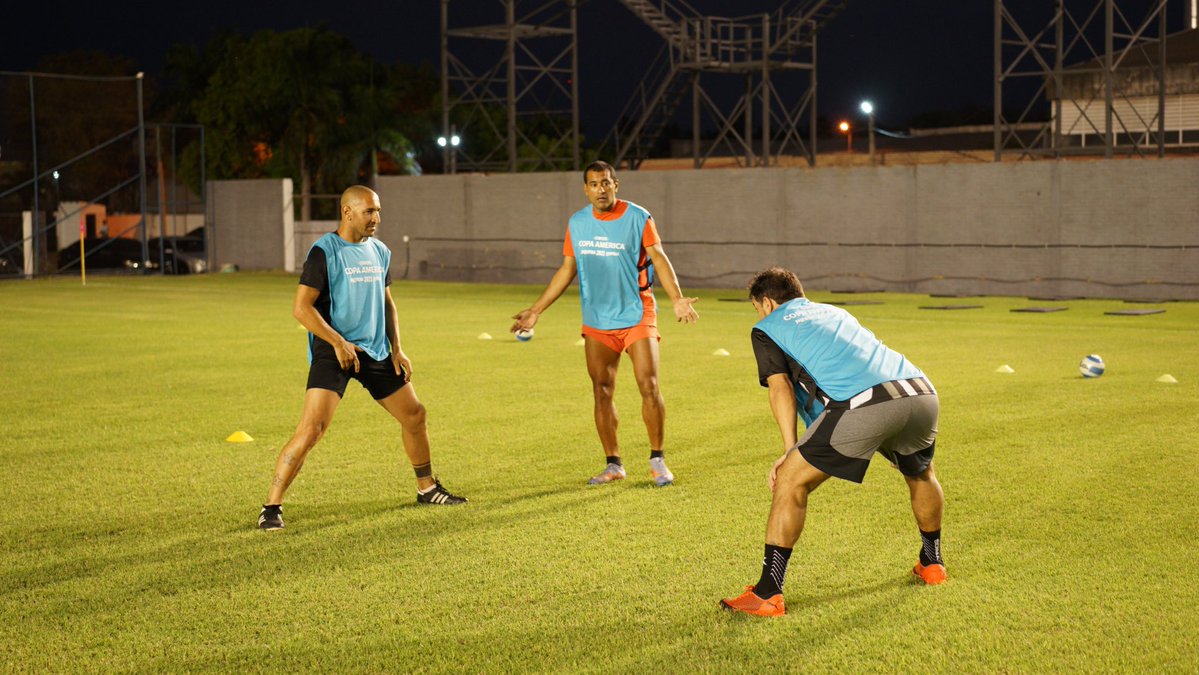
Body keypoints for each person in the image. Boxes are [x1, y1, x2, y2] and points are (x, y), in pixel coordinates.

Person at [720, 267, 945, 617]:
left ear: (766, 303)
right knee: (921, 473)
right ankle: (932, 564)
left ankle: (767, 594)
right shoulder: (833, 311)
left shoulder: (768, 326)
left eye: (757, 308)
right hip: (920, 391)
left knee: (790, 481)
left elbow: (780, 389)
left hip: (867, 402)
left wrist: (789, 451)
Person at [258, 185, 466, 531]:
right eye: (369, 212)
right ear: (348, 212)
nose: (376, 219)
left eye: (378, 211)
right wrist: (338, 342)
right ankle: (271, 506)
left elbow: (387, 303)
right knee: (313, 429)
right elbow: (301, 308)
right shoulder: (324, 251)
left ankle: (427, 489)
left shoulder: (380, 251)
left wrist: (397, 348)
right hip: (333, 347)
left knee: (415, 415)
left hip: (376, 349)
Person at [511, 160, 699, 487]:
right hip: (597, 320)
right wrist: (536, 310)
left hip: (637, 314)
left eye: (606, 183)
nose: (601, 189)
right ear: (586, 189)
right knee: (601, 391)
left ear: (616, 185)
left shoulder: (639, 217)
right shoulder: (578, 223)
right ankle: (613, 464)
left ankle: (657, 461)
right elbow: (567, 269)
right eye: (594, 184)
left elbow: (659, 258)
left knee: (649, 385)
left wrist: (677, 298)